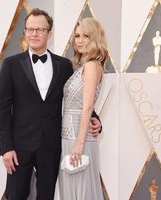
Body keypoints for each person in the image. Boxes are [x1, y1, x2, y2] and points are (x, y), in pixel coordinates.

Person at [0, 8, 101, 200]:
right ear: (25, 33)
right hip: (19, 147)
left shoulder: (64, 65)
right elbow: (1, 108)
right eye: (30, 29)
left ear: (49, 33)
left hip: (52, 145)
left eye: (40, 30)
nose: (34, 34)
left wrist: (96, 118)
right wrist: (6, 147)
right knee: (16, 195)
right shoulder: (10, 65)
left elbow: (77, 96)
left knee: (47, 196)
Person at [59, 18, 108, 200]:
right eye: (77, 36)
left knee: (80, 190)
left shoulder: (91, 66)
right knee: (73, 190)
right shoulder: (83, 66)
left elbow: (87, 107)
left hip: (78, 140)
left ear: (94, 38)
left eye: (85, 36)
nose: (79, 40)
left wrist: (79, 145)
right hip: (70, 137)